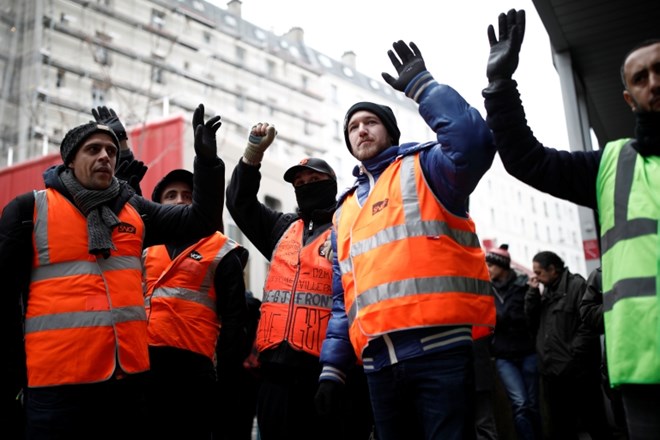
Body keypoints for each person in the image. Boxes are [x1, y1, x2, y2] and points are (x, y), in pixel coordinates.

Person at [483, 9, 660, 439]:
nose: (653, 82)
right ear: (628, 98)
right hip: (644, 373)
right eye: (640, 78)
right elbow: (528, 159)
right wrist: (501, 87)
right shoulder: (610, 165)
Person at [0, 103, 225, 439]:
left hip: (126, 386)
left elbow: (201, 222)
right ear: (70, 160)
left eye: (110, 150)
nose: (105, 156)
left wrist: (207, 163)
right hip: (55, 390)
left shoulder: (133, 209)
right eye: (93, 150)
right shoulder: (28, 210)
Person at [315, 40, 497, 440]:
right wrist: (332, 367)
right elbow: (344, 299)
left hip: (441, 350)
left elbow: (474, 143)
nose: (361, 129)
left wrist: (423, 86)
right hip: (378, 364)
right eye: (352, 127)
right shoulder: (343, 211)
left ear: (390, 131)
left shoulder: (426, 167)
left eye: (370, 122)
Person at [225, 124, 373, 440]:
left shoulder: (350, 228)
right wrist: (253, 153)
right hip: (274, 376)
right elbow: (240, 203)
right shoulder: (282, 228)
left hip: (328, 375)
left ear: (331, 185)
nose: (305, 186)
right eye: (299, 183)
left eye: (314, 181)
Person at [142, 168, 249, 439]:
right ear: (157, 206)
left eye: (188, 195)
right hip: (141, 367)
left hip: (194, 374)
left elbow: (235, 323)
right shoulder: (140, 248)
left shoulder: (222, 250)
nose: (180, 200)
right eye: (171, 195)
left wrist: (226, 382)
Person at [526, 251, 613, 440]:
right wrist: (532, 294)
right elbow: (532, 322)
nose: (536, 277)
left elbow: (587, 324)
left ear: (553, 269)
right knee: (561, 426)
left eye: (539, 272)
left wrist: (573, 354)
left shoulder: (576, 285)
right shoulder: (545, 290)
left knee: (595, 422)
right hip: (552, 371)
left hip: (577, 371)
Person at [485, 244, 541, 440]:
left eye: (491, 265)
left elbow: (533, 316)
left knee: (533, 404)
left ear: (502, 266)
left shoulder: (523, 285)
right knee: (520, 403)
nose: (488, 269)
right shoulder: (487, 289)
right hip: (503, 357)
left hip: (527, 351)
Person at [579, 267, 628, 436]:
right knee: (625, 425)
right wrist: (617, 306)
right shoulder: (601, 273)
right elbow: (587, 313)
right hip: (619, 367)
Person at [214, 290, 263, 440]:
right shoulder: (255, 314)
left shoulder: (223, 312)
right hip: (249, 381)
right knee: (244, 427)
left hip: (226, 377)